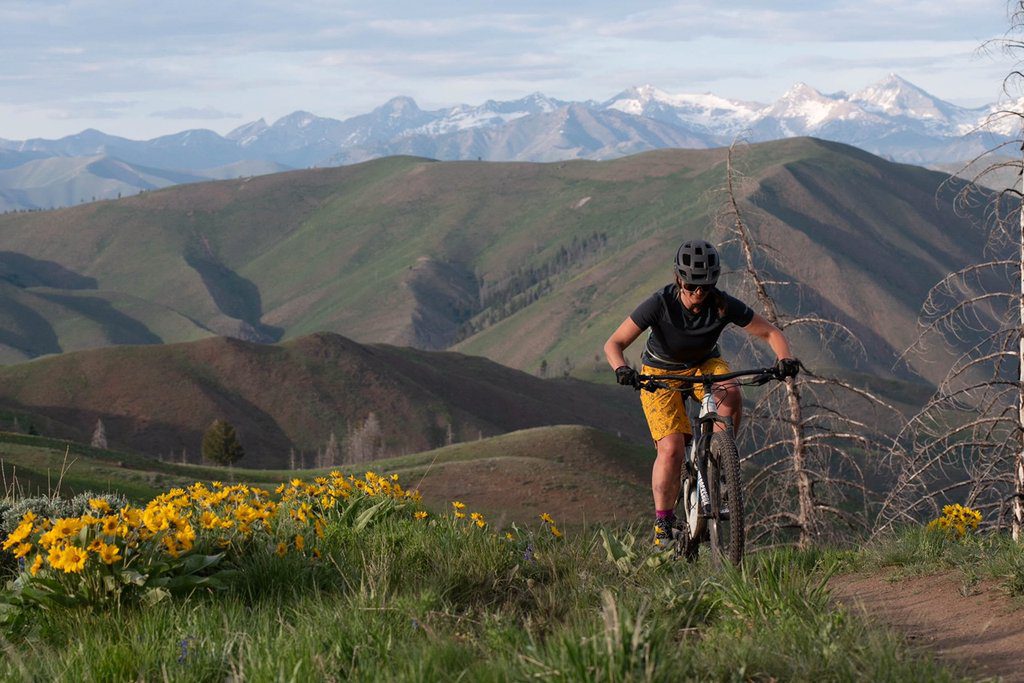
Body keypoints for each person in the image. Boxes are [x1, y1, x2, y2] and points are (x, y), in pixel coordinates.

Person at [603, 239, 800, 546]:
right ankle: (663, 524)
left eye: (705, 287)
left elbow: (770, 332)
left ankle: (721, 458)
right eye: (692, 286)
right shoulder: (660, 303)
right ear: (679, 280)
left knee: (731, 391)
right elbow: (614, 343)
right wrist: (621, 368)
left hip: (704, 364)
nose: (698, 294)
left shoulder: (721, 303)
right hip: (659, 371)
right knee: (671, 450)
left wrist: (784, 359)